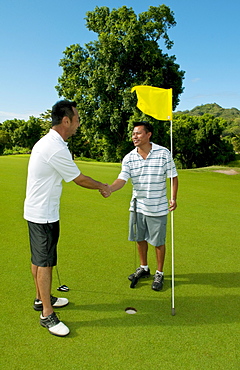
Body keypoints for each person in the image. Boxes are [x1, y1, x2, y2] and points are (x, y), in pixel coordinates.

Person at [24, 100, 110, 337]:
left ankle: (41, 299)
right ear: (66, 120)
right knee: (45, 263)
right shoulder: (55, 147)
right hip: (43, 214)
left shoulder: (50, 142)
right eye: (77, 120)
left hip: (39, 211)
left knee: (40, 259)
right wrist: (104, 186)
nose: (78, 125)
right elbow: (79, 179)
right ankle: (47, 315)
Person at [108, 121, 178, 291]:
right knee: (139, 238)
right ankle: (144, 268)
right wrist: (109, 188)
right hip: (137, 206)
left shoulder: (163, 153)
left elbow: (173, 177)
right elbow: (122, 179)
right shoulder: (129, 157)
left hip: (158, 206)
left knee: (158, 242)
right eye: (133, 134)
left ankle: (159, 272)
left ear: (148, 134)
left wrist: (173, 198)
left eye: (138, 133)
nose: (134, 137)